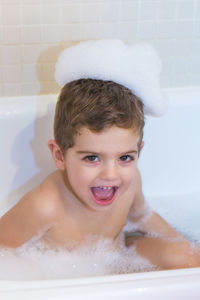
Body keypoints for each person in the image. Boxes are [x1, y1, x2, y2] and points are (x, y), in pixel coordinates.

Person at [0, 40, 199, 270]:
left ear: (139, 152)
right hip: (67, 279)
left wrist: (183, 243)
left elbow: (143, 217)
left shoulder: (132, 182)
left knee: (190, 258)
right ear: (59, 155)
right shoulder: (45, 205)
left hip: (121, 256)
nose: (111, 174)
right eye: (92, 158)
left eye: (125, 157)